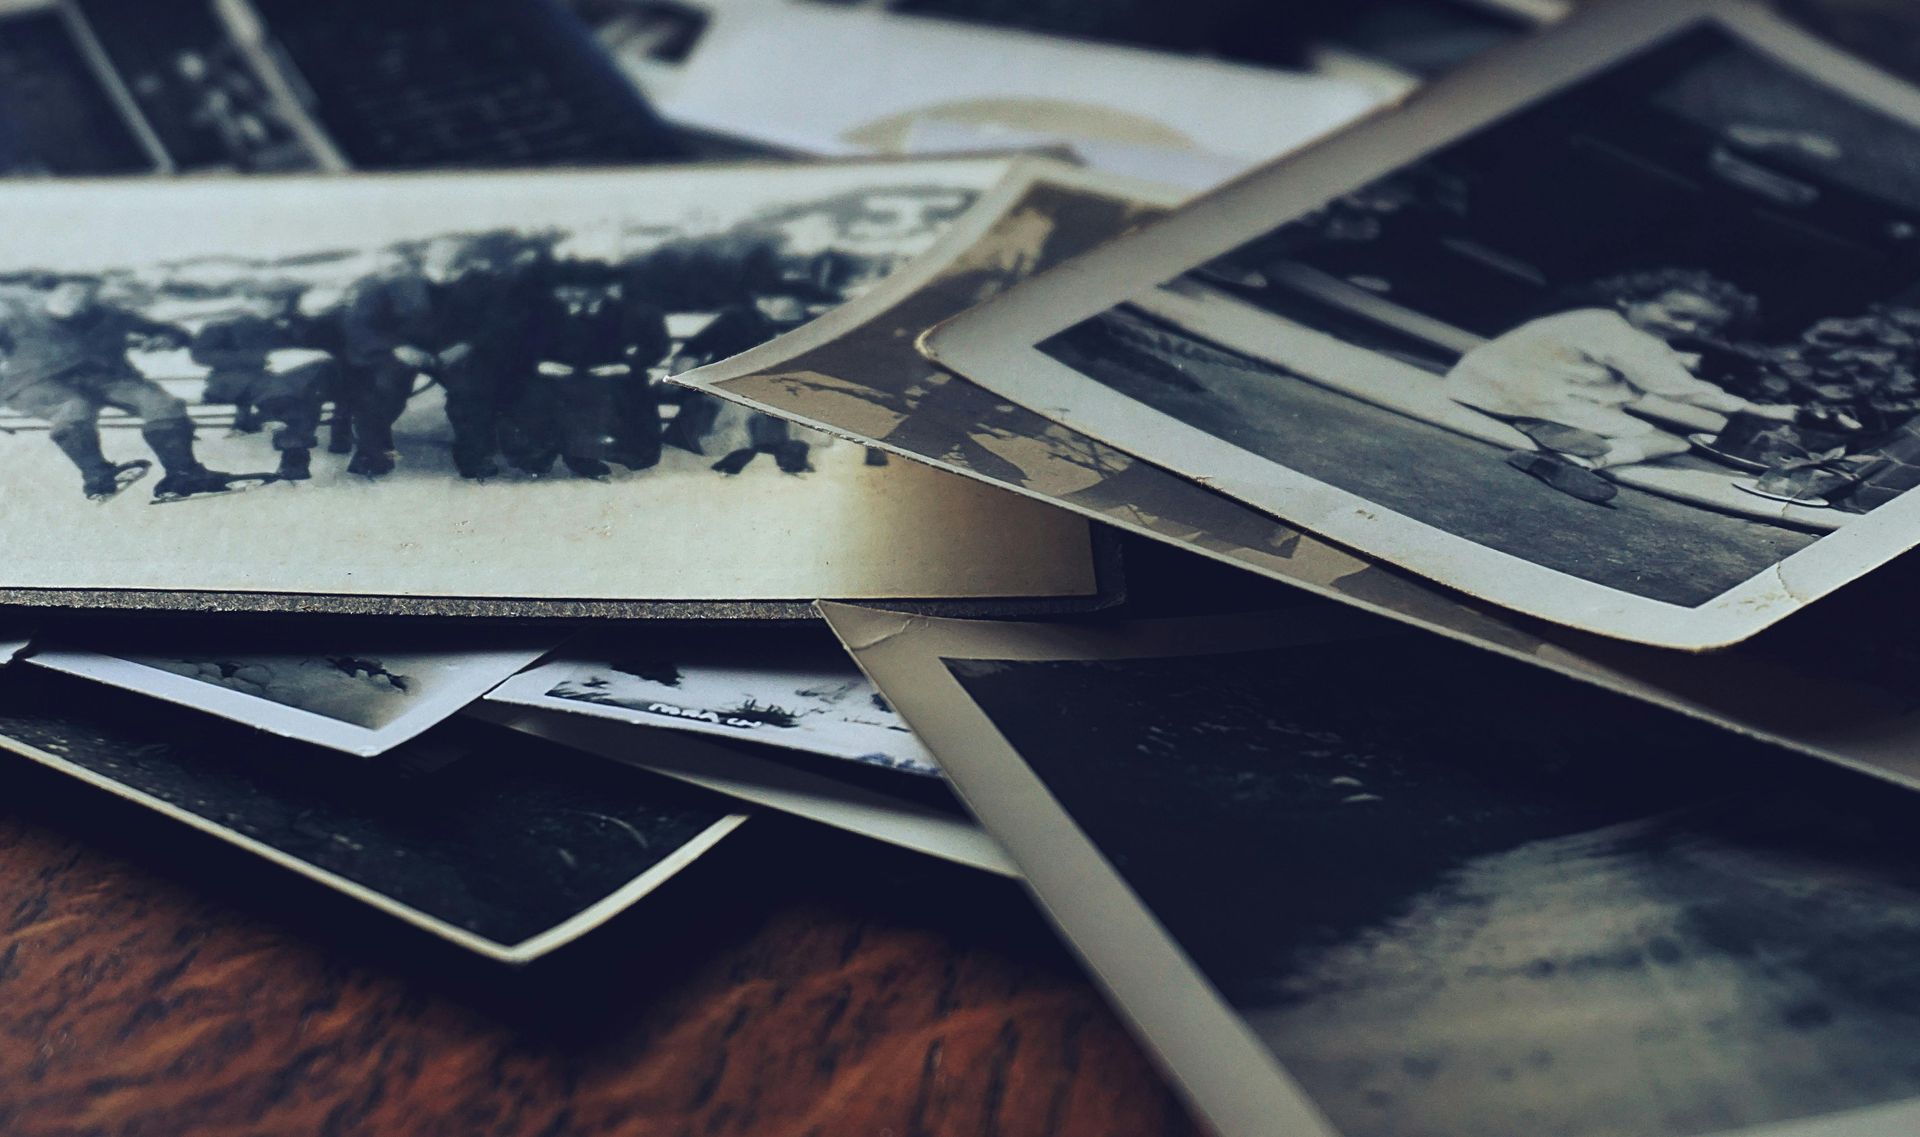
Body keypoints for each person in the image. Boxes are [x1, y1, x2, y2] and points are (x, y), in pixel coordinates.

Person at [1444, 269, 1799, 502]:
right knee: (1667, 440)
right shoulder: (1634, 340)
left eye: (1703, 327)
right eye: (1678, 315)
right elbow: (1673, 387)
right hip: (1535, 394)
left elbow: (1632, 359)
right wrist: (1761, 409)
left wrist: (1682, 360)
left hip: (1477, 381)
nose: (1689, 329)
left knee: (1603, 410)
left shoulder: (1595, 319)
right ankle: (1573, 461)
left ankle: (1550, 427)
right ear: (1629, 299)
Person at [0, 280, 234, 500]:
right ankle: (97, 475)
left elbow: (174, 333)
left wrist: (166, 339)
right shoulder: (17, 320)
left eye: (80, 315)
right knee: (74, 407)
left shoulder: (111, 316)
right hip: (36, 382)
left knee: (162, 405)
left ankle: (184, 474)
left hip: (108, 377)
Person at [190, 291, 332, 481]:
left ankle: (293, 454)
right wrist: (261, 359)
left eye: (279, 301)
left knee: (304, 390)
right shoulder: (224, 322)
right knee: (289, 396)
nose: (273, 306)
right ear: (249, 299)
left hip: (279, 380)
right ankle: (292, 451)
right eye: (265, 299)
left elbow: (307, 348)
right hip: (232, 380)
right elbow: (202, 355)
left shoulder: (288, 322)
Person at [336, 251, 436, 477]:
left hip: (426, 350)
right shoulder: (368, 289)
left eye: (401, 267)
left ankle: (371, 449)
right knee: (385, 390)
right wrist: (396, 347)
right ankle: (372, 453)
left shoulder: (426, 286)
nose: (395, 273)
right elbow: (357, 328)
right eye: (389, 268)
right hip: (377, 350)